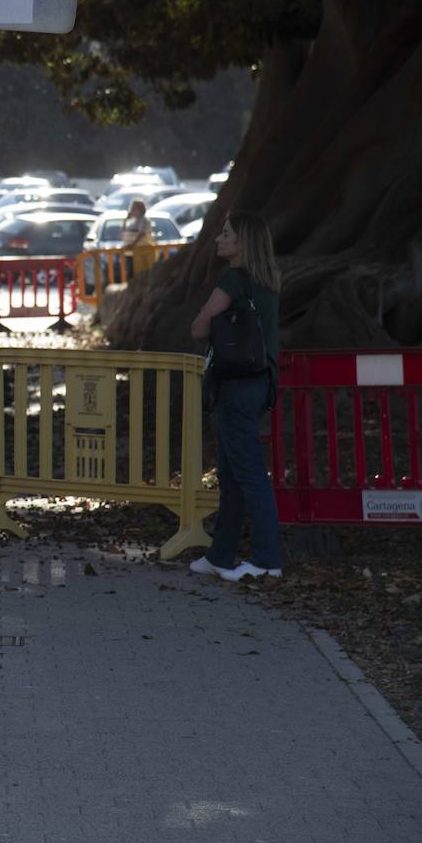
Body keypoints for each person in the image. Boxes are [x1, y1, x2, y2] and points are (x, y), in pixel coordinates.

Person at [189, 211, 283, 582]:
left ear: (242, 240)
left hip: (234, 388)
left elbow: (199, 328)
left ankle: (266, 559)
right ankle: (221, 554)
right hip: (261, 383)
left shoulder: (233, 280)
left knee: (249, 475)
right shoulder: (269, 281)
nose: (218, 239)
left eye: (225, 234)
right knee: (231, 474)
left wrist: (206, 318)